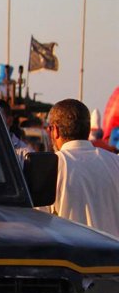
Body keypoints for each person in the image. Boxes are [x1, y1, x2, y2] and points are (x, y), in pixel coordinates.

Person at [43, 98, 119, 238]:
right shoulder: (116, 162)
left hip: (71, 250)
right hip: (112, 250)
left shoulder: (51, 166)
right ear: (88, 129)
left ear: (55, 130)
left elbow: (37, 222)